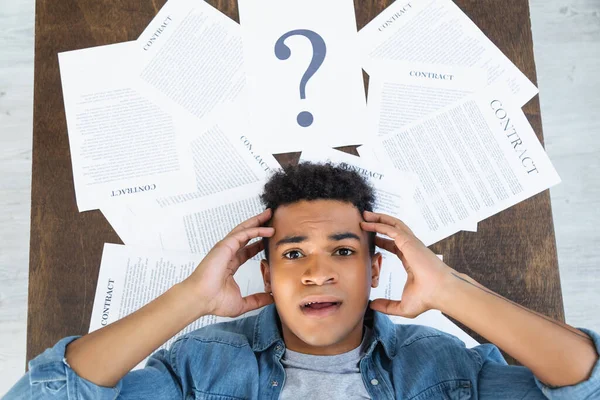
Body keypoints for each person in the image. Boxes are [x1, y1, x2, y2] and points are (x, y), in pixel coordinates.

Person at [6, 162, 600, 399]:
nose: (317, 271)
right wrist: (193, 299)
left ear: (374, 268)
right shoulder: (201, 366)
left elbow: (585, 387)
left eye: (342, 250)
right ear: (264, 273)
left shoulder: (442, 367)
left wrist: (448, 289)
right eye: (292, 254)